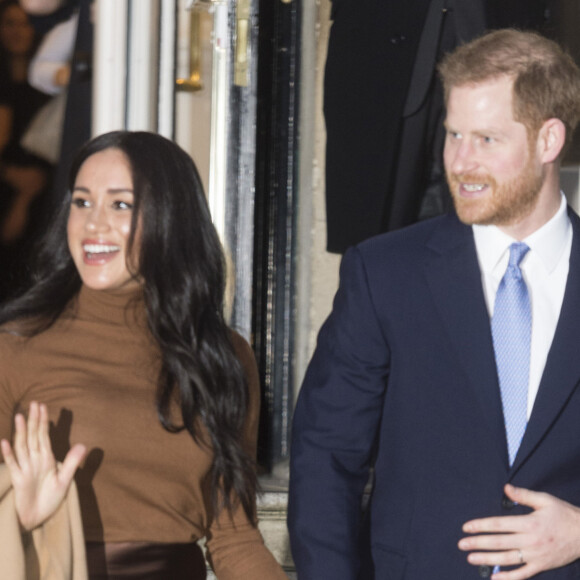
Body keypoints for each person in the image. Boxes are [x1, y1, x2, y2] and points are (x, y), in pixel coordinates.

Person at [289, 29, 580, 579]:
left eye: (486, 140)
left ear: (549, 140)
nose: (460, 163)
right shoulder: (384, 274)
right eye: (452, 135)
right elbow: (325, 458)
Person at [0, 130, 287, 579]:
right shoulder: (16, 347)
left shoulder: (222, 356)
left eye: (120, 204)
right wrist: (20, 520)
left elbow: (233, 536)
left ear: (171, 217)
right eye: (81, 202)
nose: (93, 224)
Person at [0, 0, 53, 301]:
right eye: (9, 23)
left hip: (45, 194)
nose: (18, 31)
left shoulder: (51, 83)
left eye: (25, 23)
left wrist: (31, 191)